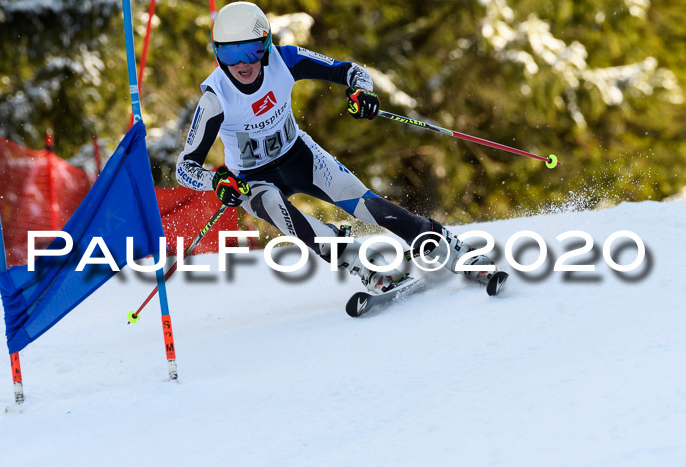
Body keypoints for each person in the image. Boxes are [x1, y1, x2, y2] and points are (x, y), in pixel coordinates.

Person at [176, 1, 507, 295]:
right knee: (287, 215)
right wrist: (217, 180)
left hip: (299, 156)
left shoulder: (285, 60)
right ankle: (363, 264)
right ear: (217, 53)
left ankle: (452, 250)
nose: (240, 64)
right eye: (227, 53)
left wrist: (361, 92)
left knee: (368, 206)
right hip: (252, 180)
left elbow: (352, 71)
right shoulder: (215, 99)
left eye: (248, 51)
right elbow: (185, 168)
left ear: (265, 45)